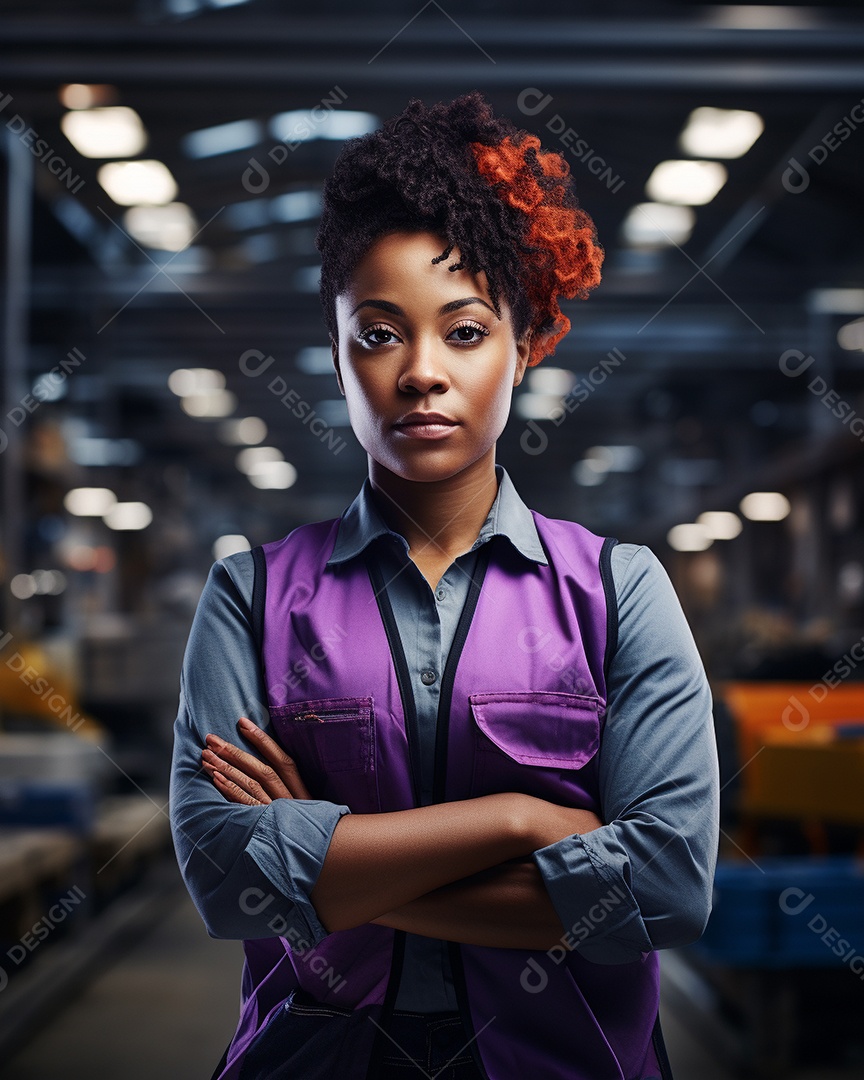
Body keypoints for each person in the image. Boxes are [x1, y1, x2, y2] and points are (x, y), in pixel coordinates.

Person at [169, 90, 720, 1080]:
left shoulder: (619, 593)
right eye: (379, 333)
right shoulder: (250, 599)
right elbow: (222, 879)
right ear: (338, 352)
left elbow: (667, 888)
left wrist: (326, 870)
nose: (422, 372)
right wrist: (521, 823)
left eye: (464, 331)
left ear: (524, 345)